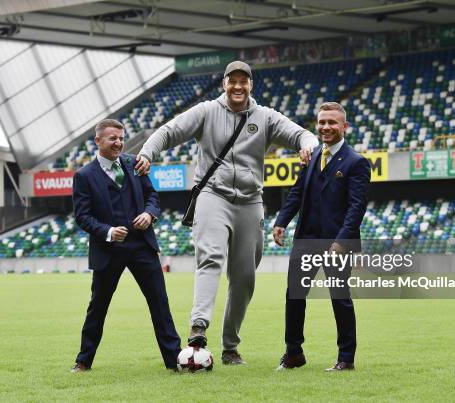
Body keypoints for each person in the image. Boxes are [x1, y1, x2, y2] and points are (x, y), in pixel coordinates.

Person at [135, 61, 318, 365]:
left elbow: (301, 134)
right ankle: (198, 326)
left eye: (243, 82)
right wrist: (147, 152)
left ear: (251, 85)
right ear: (224, 84)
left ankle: (230, 346)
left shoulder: (265, 117)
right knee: (211, 256)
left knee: (244, 277)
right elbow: (169, 131)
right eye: (231, 81)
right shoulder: (206, 111)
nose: (237, 87)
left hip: (250, 201)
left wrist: (309, 146)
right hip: (212, 194)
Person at [71, 119, 181, 372]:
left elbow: (152, 196)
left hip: (142, 245)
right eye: (113, 138)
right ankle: (83, 360)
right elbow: (82, 216)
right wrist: (108, 231)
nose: (119, 143)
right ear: (98, 141)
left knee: (160, 303)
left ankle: (174, 360)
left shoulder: (134, 164)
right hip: (108, 250)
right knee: (98, 307)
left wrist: (149, 214)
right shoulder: (84, 176)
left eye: (121, 138)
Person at [273, 102, 370, 371]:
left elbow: (356, 208)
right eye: (322, 122)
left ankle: (346, 358)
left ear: (344, 127)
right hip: (305, 240)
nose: (326, 127)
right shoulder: (312, 155)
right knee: (294, 296)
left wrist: (341, 241)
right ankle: (294, 353)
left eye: (332, 122)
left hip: (337, 243)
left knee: (339, 298)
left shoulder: (357, 163)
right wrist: (282, 221)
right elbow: (297, 191)